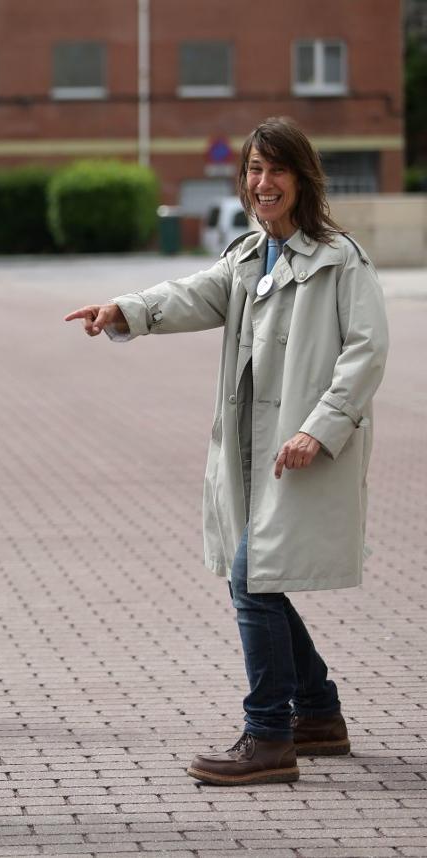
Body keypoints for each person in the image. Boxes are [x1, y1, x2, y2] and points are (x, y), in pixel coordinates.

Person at [64, 116, 389, 786]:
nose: (262, 183)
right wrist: (123, 309)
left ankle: (270, 735)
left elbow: (366, 352)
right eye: (253, 170)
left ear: (302, 180)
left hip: (302, 452)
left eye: (276, 171)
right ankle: (320, 714)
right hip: (254, 453)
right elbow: (193, 294)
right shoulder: (250, 255)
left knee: (252, 579)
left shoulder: (339, 259)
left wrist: (320, 427)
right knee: (260, 576)